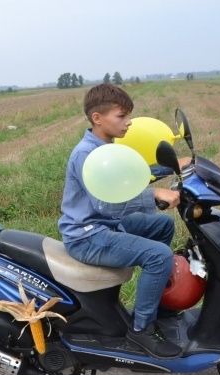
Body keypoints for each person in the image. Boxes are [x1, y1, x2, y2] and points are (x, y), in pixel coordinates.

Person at [58, 83, 184, 359]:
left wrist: (175, 166)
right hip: (87, 235)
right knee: (159, 255)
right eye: (122, 116)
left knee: (163, 225)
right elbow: (107, 203)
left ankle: (152, 303)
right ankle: (141, 331)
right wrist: (153, 195)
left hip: (106, 225)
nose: (128, 123)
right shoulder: (87, 154)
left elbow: (129, 175)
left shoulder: (106, 147)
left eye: (129, 116)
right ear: (97, 118)